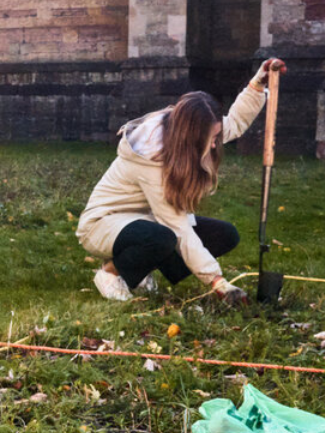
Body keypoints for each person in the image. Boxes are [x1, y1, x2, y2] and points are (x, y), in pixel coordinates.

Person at [76, 59, 287, 305]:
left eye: (215, 136)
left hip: (148, 220)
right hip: (104, 223)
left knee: (225, 235)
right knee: (163, 237)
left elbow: (235, 124)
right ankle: (111, 273)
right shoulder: (150, 156)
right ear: (190, 137)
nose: (213, 145)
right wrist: (217, 282)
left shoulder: (192, 134)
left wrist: (256, 86)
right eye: (210, 139)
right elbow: (178, 228)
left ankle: (140, 270)